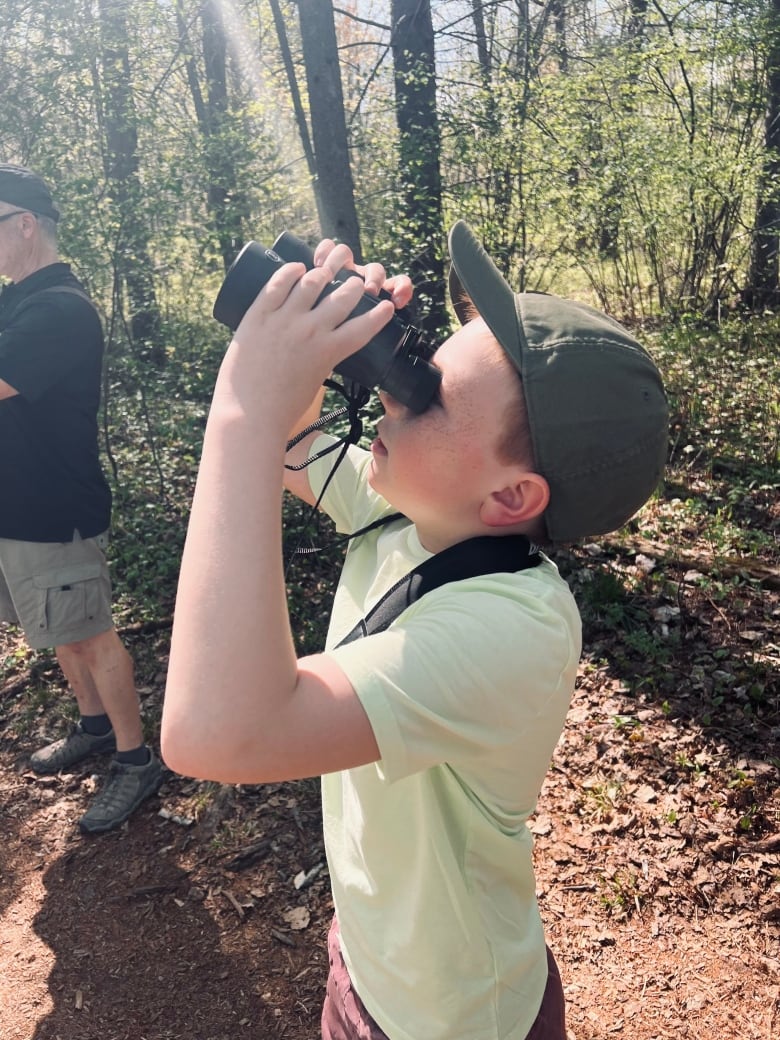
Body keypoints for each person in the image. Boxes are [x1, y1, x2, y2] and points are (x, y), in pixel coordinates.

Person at [161, 220, 668, 1038]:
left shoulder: (511, 627)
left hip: (452, 1013)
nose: (398, 393)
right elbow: (298, 447)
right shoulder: (416, 516)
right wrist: (314, 339)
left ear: (512, 498)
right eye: (417, 364)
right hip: (369, 956)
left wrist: (241, 406)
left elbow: (217, 734)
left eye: (430, 395)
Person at [0, 163, 162, 835]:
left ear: (25, 225)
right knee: (61, 635)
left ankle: (136, 758)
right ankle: (94, 728)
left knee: (93, 635)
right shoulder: (20, 300)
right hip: (19, 507)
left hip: (54, 510)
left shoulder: (60, 308)